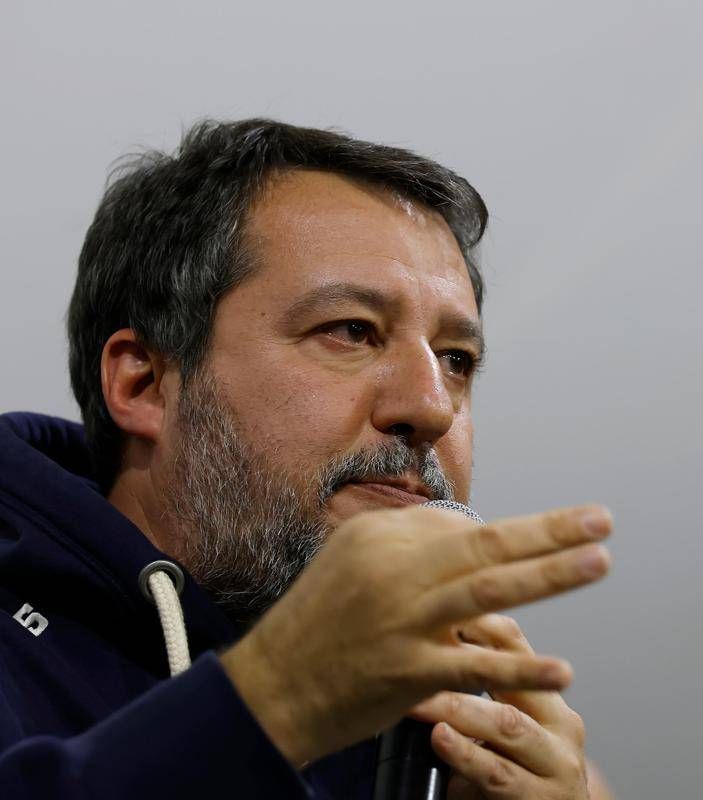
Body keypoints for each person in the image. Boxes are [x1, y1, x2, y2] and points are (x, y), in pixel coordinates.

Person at [0, 119, 616, 799]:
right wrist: (278, 701)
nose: (432, 406)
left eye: (456, 359)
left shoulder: (435, 733)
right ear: (145, 383)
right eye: (352, 330)